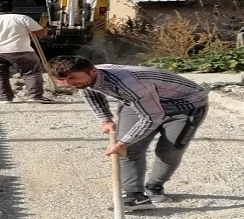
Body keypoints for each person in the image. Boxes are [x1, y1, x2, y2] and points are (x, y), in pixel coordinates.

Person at [46, 55, 209, 210]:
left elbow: (153, 117)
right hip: (138, 103)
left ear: (93, 71)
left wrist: (123, 142)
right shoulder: (88, 77)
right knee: (129, 150)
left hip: (185, 106)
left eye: (72, 78)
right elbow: (89, 90)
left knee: (169, 151)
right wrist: (105, 118)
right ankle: (135, 196)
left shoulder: (129, 84)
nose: (67, 83)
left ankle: (155, 186)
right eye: (62, 80)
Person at [0, 1, 54, 104]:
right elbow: (41, 33)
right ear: (11, 10)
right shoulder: (22, 18)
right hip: (21, 50)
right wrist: (44, 29)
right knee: (31, 73)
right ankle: (36, 96)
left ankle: (4, 98)